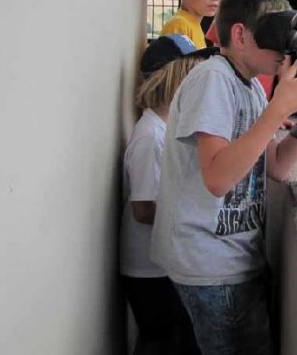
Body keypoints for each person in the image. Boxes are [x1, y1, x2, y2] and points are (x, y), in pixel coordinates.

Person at [151, 0, 297, 355]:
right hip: (211, 265)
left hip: (236, 258)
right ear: (240, 35)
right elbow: (217, 178)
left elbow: (276, 165)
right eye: (278, 34)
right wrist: (278, 109)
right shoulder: (213, 79)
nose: (286, 50)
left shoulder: (251, 88)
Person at [120, 34, 216, 355]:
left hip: (161, 263)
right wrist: (194, 217)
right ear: (171, 80)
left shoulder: (167, 129)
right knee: (160, 342)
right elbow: (143, 209)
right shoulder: (150, 136)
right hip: (148, 270)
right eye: (191, 75)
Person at [204, 0, 275, 99]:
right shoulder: (222, 21)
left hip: (264, 105)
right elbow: (219, 61)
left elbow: (285, 73)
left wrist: (278, 108)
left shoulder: (277, 22)